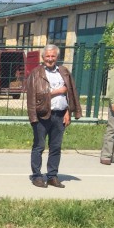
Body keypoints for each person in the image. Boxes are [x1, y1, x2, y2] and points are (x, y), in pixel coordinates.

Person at [25, 44, 80, 188]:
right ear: (43, 57)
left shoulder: (63, 72)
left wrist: (68, 112)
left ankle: (52, 176)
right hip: (42, 115)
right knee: (39, 146)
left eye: (53, 56)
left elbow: (70, 93)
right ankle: (37, 176)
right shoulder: (36, 73)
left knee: (56, 147)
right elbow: (32, 96)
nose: (50, 59)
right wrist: (57, 91)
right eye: (47, 56)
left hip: (60, 115)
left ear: (57, 57)